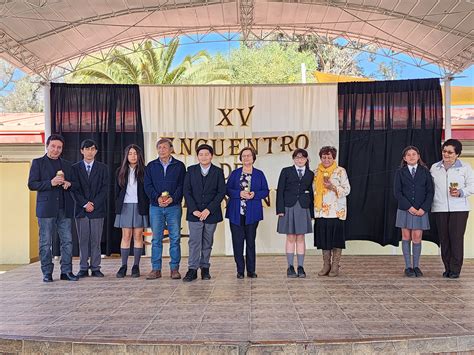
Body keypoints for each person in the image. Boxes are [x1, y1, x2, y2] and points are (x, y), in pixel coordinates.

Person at [27, 134, 79, 282]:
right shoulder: (37, 163)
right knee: (45, 242)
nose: (56, 150)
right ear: (47, 146)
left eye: (59, 147)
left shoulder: (68, 165)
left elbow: (75, 184)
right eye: (53, 146)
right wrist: (50, 183)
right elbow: (32, 184)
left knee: (67, 241)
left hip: (64, 208)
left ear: (62, 149)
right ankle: (47, 273)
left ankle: (66, 271)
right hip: (46, 209)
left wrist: (69, 184)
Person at [431, 139, 474, 279]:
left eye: (450, 152)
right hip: (439, 208)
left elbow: (472, 186)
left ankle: (455, 269)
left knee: (456, 238)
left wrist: (461, 192)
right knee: (444, 239)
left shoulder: (465, 168)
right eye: (444, 151)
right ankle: (447, 268)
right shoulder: (434, 168)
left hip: (459, 209)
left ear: (457, 154)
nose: (446, 154)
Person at [182, 144, 226, 282]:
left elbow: (221, 192)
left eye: (206, 154)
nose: (204, 157)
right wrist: (194, 209)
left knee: (207, 242)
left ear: (211, 156)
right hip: (194, 214)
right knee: (194, 242)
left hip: (211, 214)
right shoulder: (191, 170)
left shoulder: (218, 172)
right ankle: (192, 269)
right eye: (201, 154)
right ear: (197, 156)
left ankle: (205, 268)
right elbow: (186, 191)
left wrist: (208, 210)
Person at [144, 138, 186, 280]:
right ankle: (156, 269)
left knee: (175, 238)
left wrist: (172, 198)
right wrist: (157, 198)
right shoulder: (151, 166)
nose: (162, 150)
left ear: (171, 149)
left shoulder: (179, 166)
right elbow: (147, 186)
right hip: (156, 207)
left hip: (173, 207)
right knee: (156, 239)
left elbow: (182, 186)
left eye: (165, 147)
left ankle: (174, 269)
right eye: (159, 147)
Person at [226, 147, 269, 279]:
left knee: (250, 242)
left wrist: (255, 194)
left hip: (252, 213)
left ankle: (251, 270)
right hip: (236, 213)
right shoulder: (235, 173)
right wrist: (239, 193)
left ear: (253, 158)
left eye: (249, 156)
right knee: (237, 242)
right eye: (243, 156)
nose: (246, 158)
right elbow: (227, 189)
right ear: (241, 158)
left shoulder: (259, 174)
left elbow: (265, 191)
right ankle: (240, 270)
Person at [394, 146, 434, 278]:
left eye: (414, 154)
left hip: (421, 210)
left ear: (418, 156)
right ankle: (408, 267)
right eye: (408, 155)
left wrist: (423, 208)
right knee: (406, 237)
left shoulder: (425, 172)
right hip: (405, 209)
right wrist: (409, 207)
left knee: (417, 237)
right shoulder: (400, 172)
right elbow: (397, 192)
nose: (411, 156)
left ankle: (416, 266)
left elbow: (430, 192)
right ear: (404, 158)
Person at [71, 139, 108, 278]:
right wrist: (85, 204)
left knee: (96, 240)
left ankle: (96, 267)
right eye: (87, 149)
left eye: (92, 149)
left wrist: (94, 204)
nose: (89, 151)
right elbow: (74, 190)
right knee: (83, 240)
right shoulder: (74, 168)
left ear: (96, 151)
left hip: (97, 210)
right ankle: (83, 267)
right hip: (81, 210)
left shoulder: (103, 168)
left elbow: (105, 189)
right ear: (82, 151)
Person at [276, 149, 314, 278]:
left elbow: (312, 193)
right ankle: (290, 266)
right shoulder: (286, 171)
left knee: (301, 237)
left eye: (302, 158)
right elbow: (280, 190)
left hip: (303, 207)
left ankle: (301, 267)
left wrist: (312, 212)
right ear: (293, 159)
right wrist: (280, 209)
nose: (300, 160)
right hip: (288, 207)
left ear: (306, 159)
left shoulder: (310, 174)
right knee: (290, 237)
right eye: (297, 157)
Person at [313, 146, 350, 277]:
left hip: (336, 212)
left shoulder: (340, 171)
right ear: (320, 158)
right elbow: (314, 191)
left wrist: (333, 187)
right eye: (324, 157)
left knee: (336, 240)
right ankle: (326, 265)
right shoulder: (316, 172)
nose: (326, 159)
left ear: (334, 158)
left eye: (329, 157)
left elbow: (347, 190)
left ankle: (335, 265)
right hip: (321, 212)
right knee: (324, 240)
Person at [114, 144, 149, 278]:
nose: (133, 156)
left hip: (140, 206)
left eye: (135, 153)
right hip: (125, 206)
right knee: (126, 236)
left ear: (139, 155)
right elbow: (116, 191)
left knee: (138, 236)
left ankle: (136, 266)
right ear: (126, 156)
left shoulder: (145, 171)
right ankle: (123, 266)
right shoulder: (120, 171)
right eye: (130, 153)